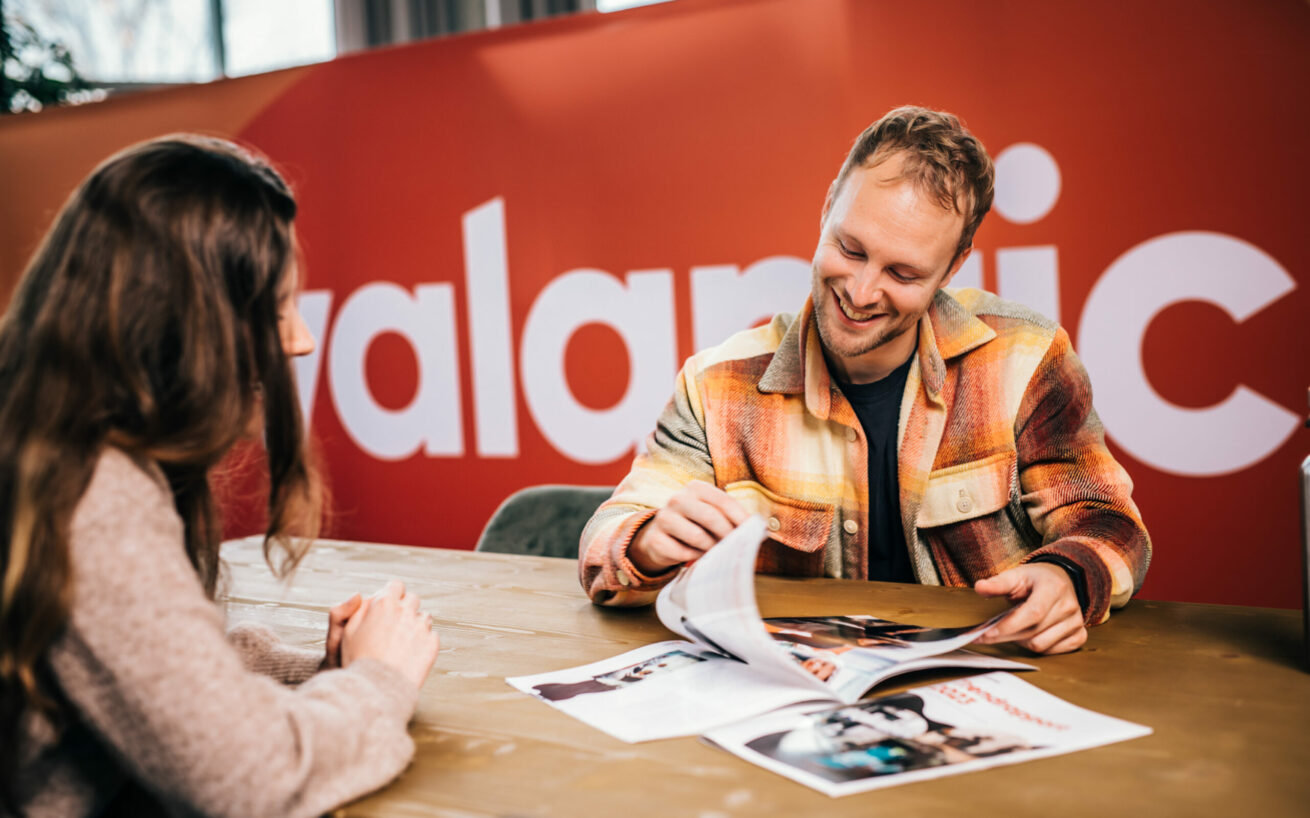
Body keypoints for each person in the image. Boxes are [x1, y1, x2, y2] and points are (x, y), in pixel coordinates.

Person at [579, 106, 1151, 655]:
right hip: (799, 704)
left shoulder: (1025, 358)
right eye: (849, 249)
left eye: (903, 273)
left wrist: (1067, 576)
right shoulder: (716, 386)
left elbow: (1109, 523)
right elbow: (606, 538)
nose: (860, 291)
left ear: (952, 267)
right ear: (828, 206)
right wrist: (649, 543)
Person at [0, 135, 440, 817]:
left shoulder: (50, 445)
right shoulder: (93, 494)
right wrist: (379, 680)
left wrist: (317, 672)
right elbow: (252, 778)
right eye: (276, 310)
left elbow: (140, 664)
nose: (300, 340)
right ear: (183, 322)